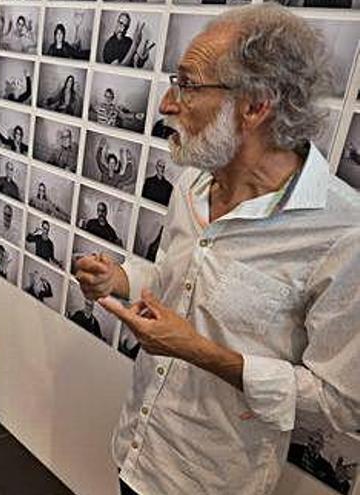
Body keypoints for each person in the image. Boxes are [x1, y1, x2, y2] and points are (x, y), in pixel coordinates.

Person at [74, 5, 360, 494]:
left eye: (186, 84)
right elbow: (175, 284)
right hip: (140, 449)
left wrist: (201, 352)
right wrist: (121, 280)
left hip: (211, 479)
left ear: (254, 106)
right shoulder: (191, 186)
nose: (166, 103)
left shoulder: (342, 231)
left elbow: (343, 401)